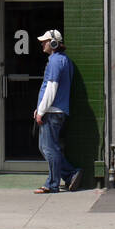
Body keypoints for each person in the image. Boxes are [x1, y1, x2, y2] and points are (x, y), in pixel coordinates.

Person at [33, 29, 80, 194]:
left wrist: (41, 111)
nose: (42, 44)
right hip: (55, 110)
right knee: (46, 146)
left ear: (53, 43)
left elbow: (51, 88)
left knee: (49, 148)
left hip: (52, 112)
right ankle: (70, 174)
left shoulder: (55, 62)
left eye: (45, 41)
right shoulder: (64, 60)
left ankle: (53, 183)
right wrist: (40, 108)